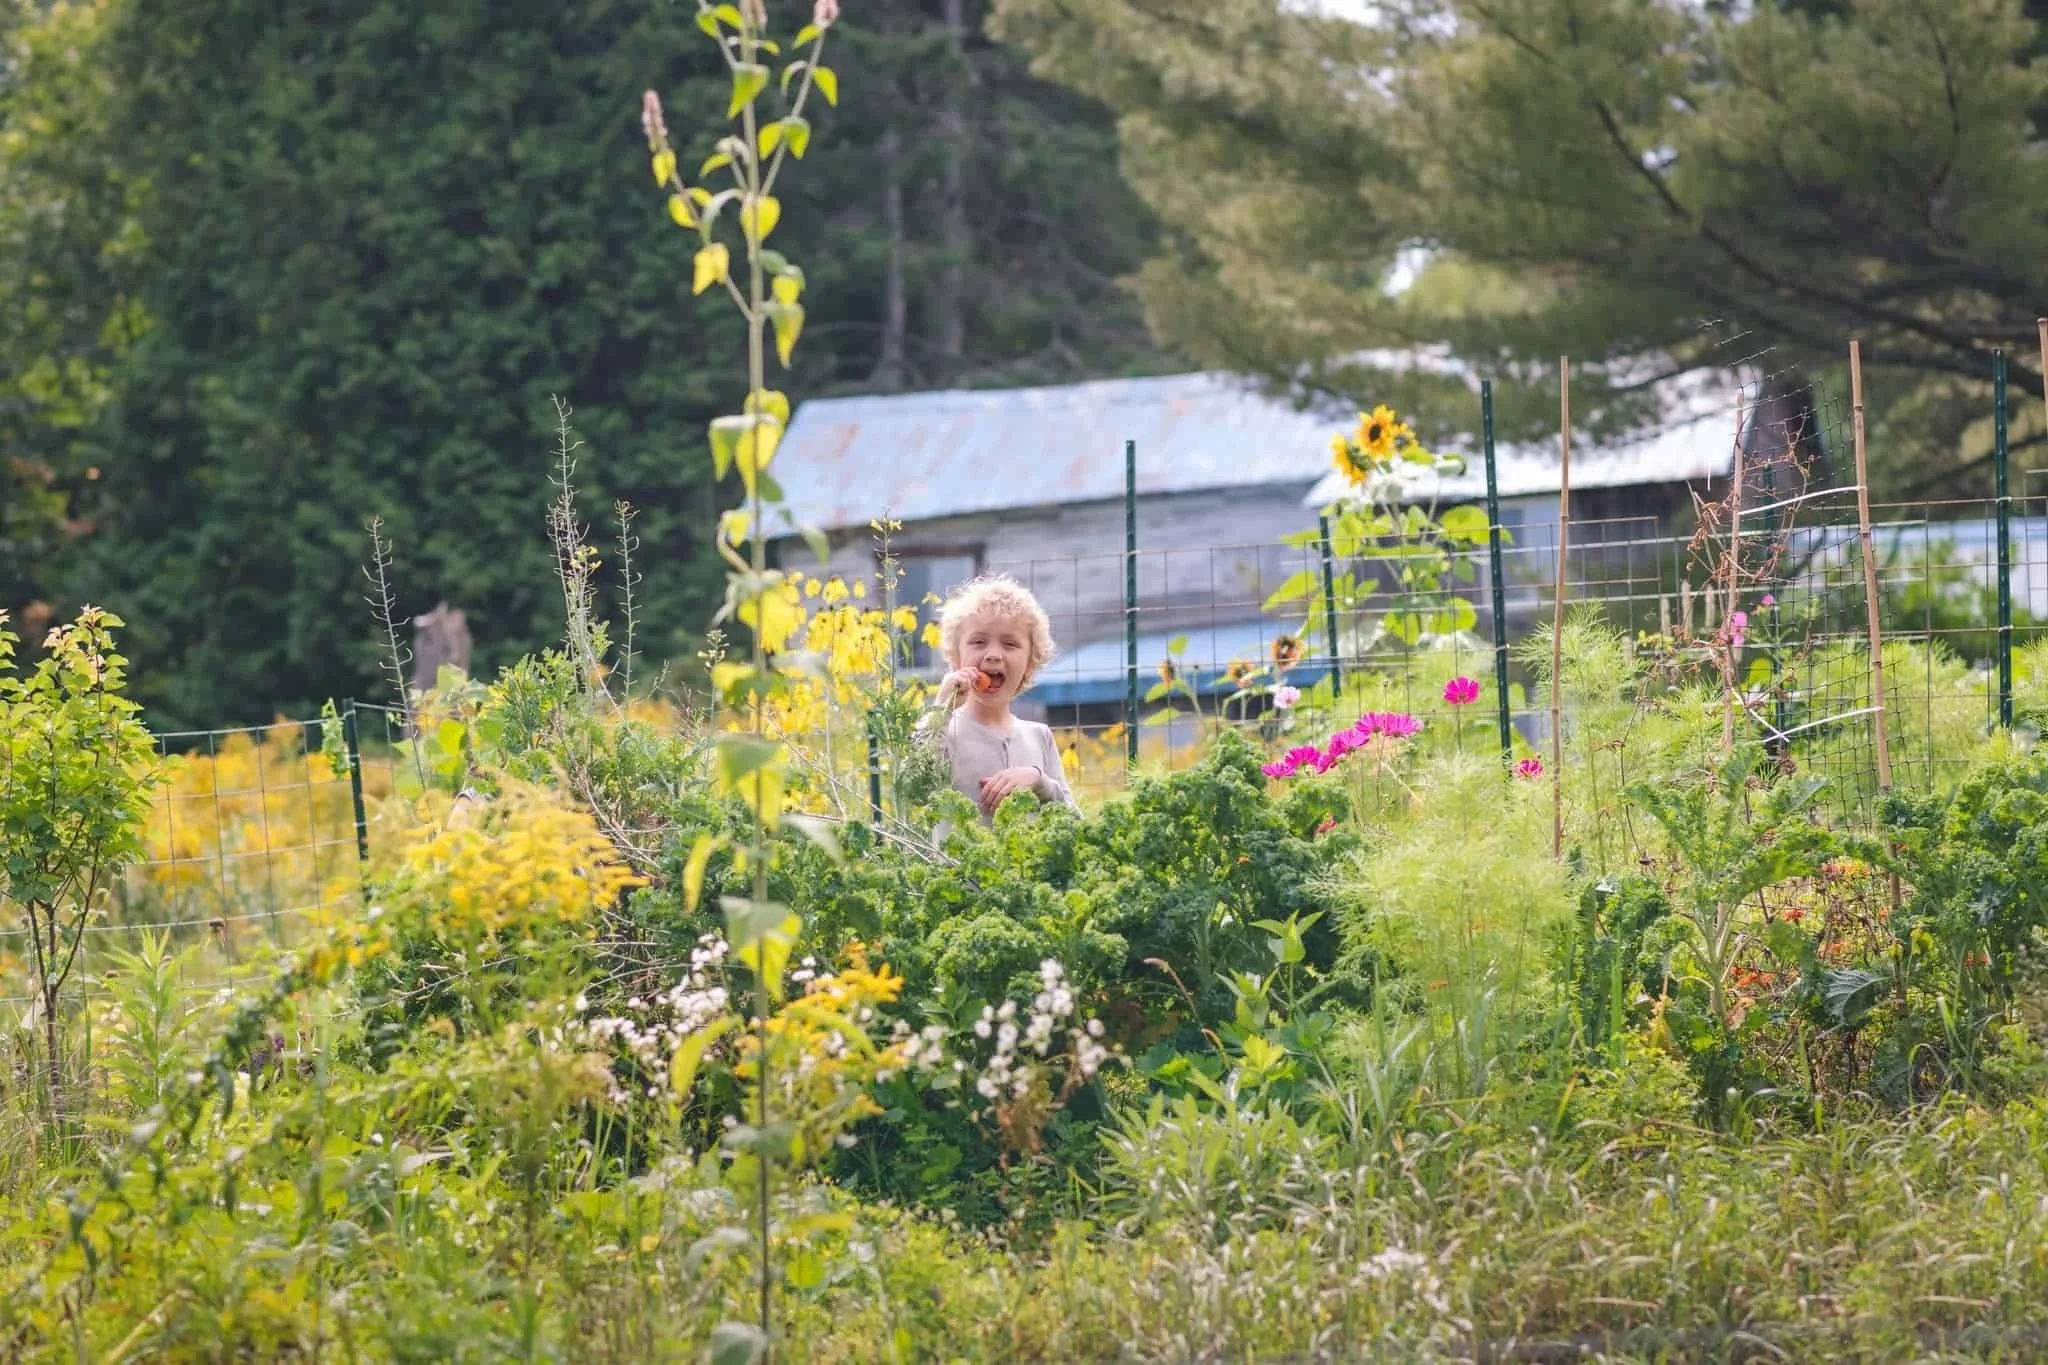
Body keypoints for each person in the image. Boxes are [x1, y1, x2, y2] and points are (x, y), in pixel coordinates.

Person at [928, 574, 1079, 822]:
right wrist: (939, 711)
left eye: (1010, 644)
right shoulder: (946, 732)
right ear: (955, 658)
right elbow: (912, 788)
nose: (994, 655)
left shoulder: (1039, 737)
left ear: (1030, 664)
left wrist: (1040, 781)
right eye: (978, 641)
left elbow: (1074, 825)